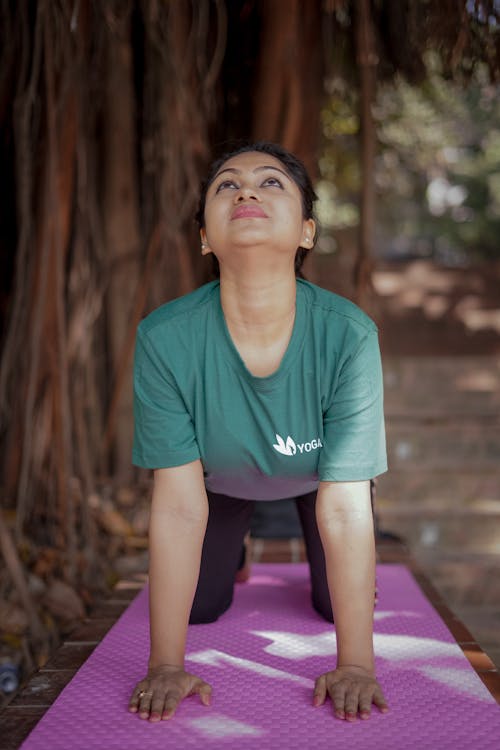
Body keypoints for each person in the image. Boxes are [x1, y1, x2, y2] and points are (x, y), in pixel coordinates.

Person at [128, 141, 389, 724]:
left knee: (332, 607)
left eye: (271, 183)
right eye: (227, 184)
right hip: (219, 483)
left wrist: (356, 665)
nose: (246, 190)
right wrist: (166, 664)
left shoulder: (349, 335)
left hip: (319, 479)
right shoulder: (165, 338)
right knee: (200, 607)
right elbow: (175, 507)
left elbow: (346, 507)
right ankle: (237, 548)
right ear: (204, 238)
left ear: (307, 232)